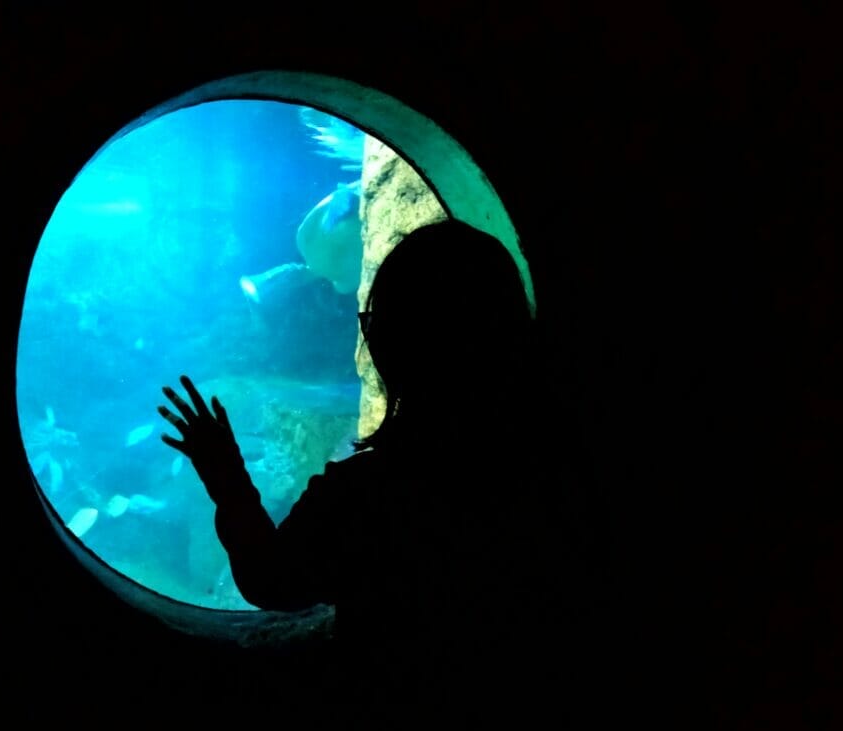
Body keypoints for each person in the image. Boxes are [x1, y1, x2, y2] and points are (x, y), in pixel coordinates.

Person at [158, 219, 566, 723]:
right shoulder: (552, 476)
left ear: (380, 341)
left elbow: (273, 580)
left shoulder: (369, 494)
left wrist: (227, 479)